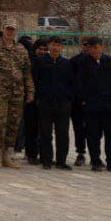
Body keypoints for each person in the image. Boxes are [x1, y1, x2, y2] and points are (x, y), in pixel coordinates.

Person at [0, 22, 34, 169]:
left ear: (16, 31)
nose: (10, 32)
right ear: (3, 30)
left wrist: (30, 92)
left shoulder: (21, 49)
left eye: (12, 29)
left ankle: (7, 155)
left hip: (17, 93)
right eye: (7, 29)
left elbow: (27, 73)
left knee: (13, 124)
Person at [76, 37, 111, 172]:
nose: (94, 50)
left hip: (109, 104)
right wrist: (84, 99)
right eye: (91, 48)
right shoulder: (83, 63)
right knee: (93, 134)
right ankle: (95, 161)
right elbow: (80, 83)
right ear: (88, 49)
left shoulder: (110, 61)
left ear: (101, 47)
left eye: (96, 47)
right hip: (92, 104)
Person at [32, 35, 75, 170]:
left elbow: (72, 83)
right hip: (45, 103)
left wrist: (68, 97)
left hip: (63, 104)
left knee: (62, 133)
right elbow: (35, 80)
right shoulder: (40, 62)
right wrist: (39, 97)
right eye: (52, 44)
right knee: (45, 133)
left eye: (58, 45)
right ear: (48, 46)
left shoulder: (67, 63)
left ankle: (61, 161)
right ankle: (47, 160)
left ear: (61, 47)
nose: (55, 47)